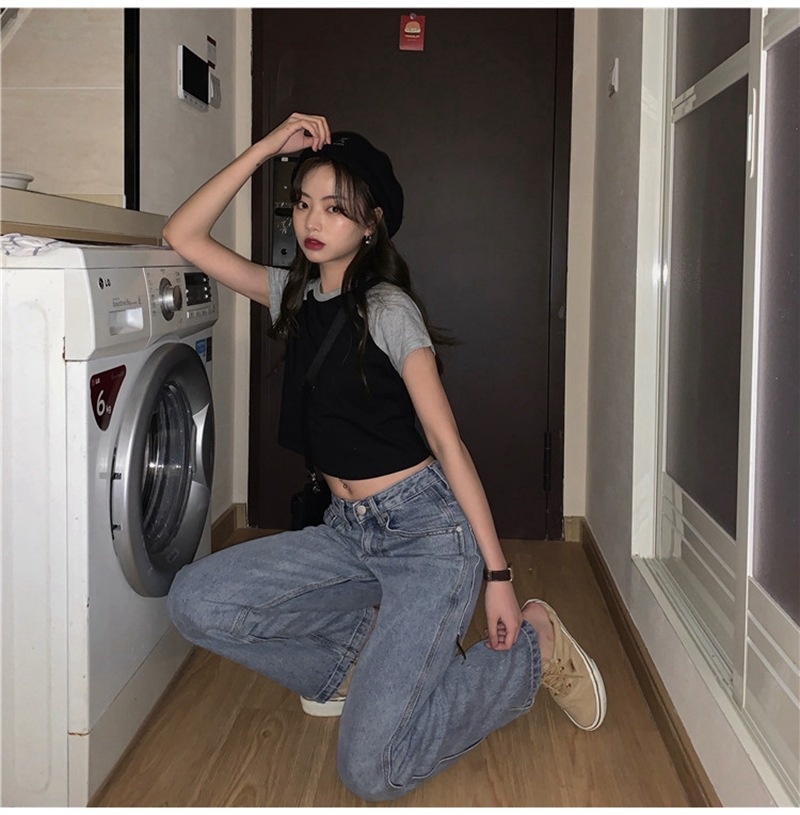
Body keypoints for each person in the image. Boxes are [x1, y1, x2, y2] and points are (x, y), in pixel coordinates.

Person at [164, 113, 606, 802]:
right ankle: (350, 669)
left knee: (371, 772)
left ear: (370, 225)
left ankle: (533, 648)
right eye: (303, 203)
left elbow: (447, 443)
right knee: (195, 601)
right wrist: (267, 148)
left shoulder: (387, 308)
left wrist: (497, 574)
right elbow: (182, 236)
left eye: (335, 208)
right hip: (347, 533)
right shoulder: (292, 295)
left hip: (427, 539)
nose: (313, 221)